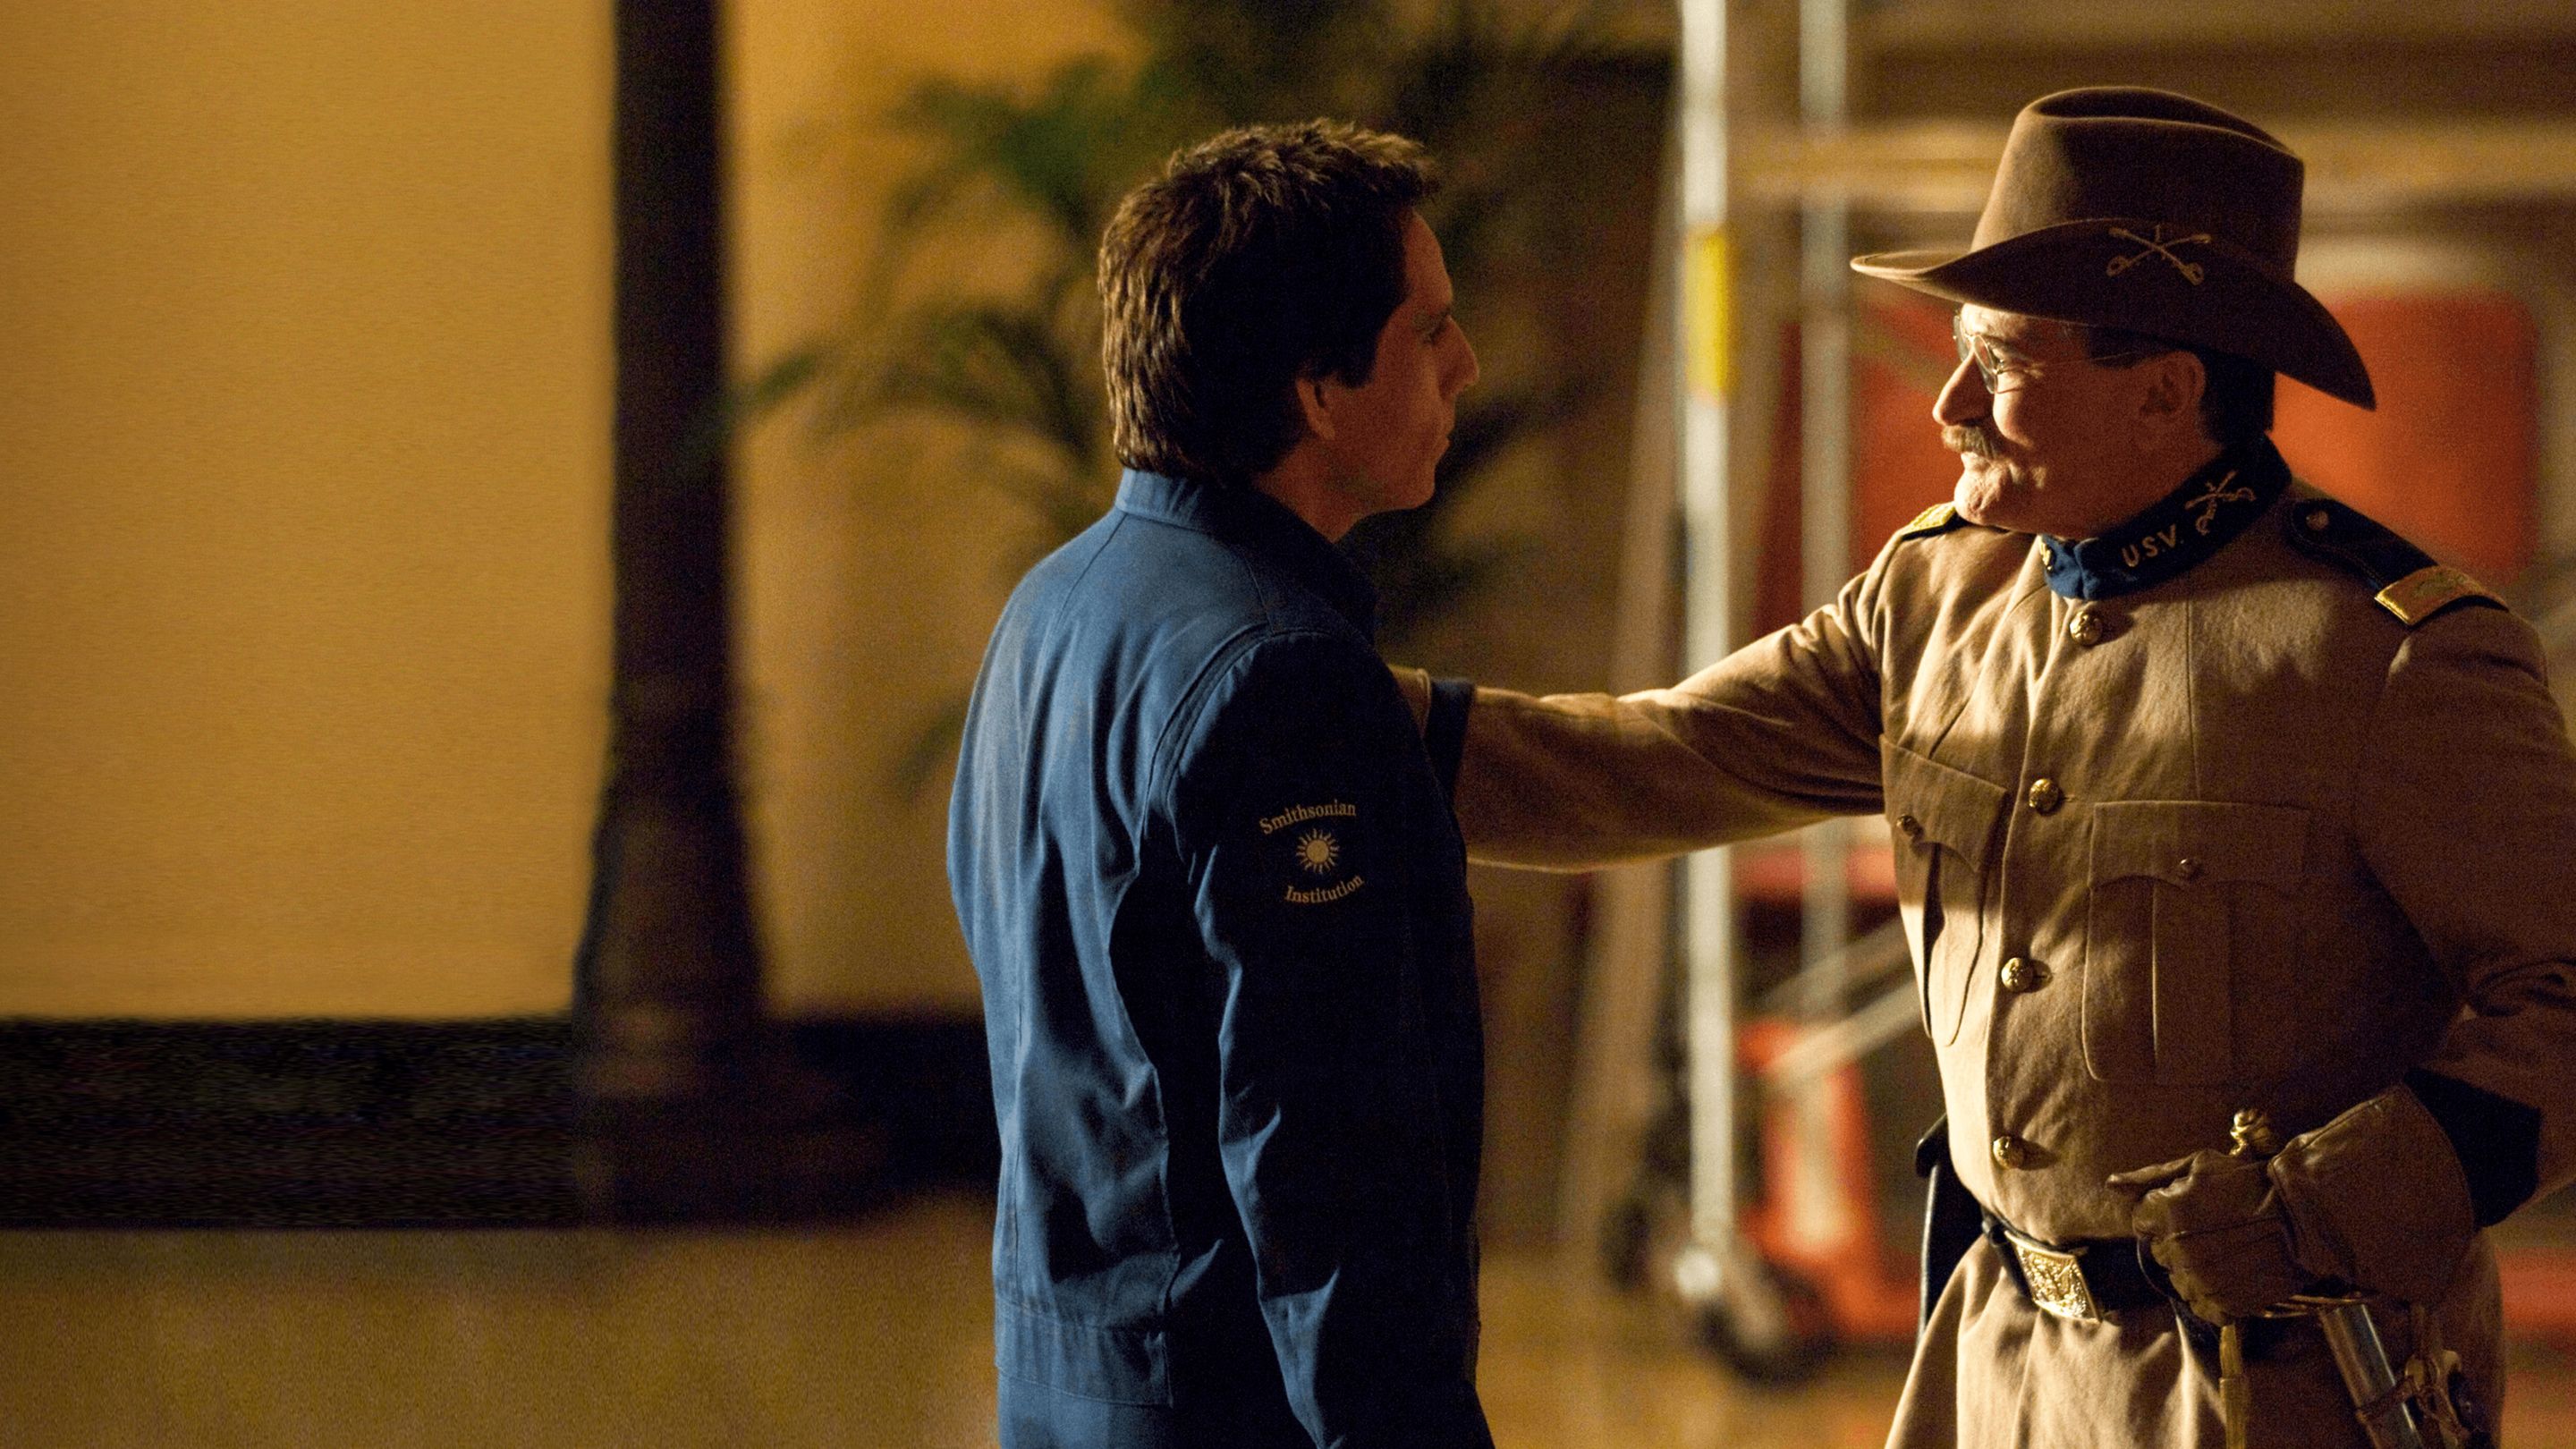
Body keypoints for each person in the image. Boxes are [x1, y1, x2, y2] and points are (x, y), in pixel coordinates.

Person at [1402, 88, 2575, 1445]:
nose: (1950, 403)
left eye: (2000, 362)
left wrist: (2324, 1210)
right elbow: (1650, 759)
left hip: (2274, 1384)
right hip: (1991, 1360)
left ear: (2166, 389)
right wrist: (1312, 714)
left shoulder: (2387, 655)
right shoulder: (1934, 599)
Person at [948, 121, 1491, 1449]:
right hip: (1233, 1409)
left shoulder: (1052, 609)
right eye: (1429, 330)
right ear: (1318, 388)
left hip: (1070, 1393)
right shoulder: (1281, 677)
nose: (1465, 366)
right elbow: (1323, 1153)